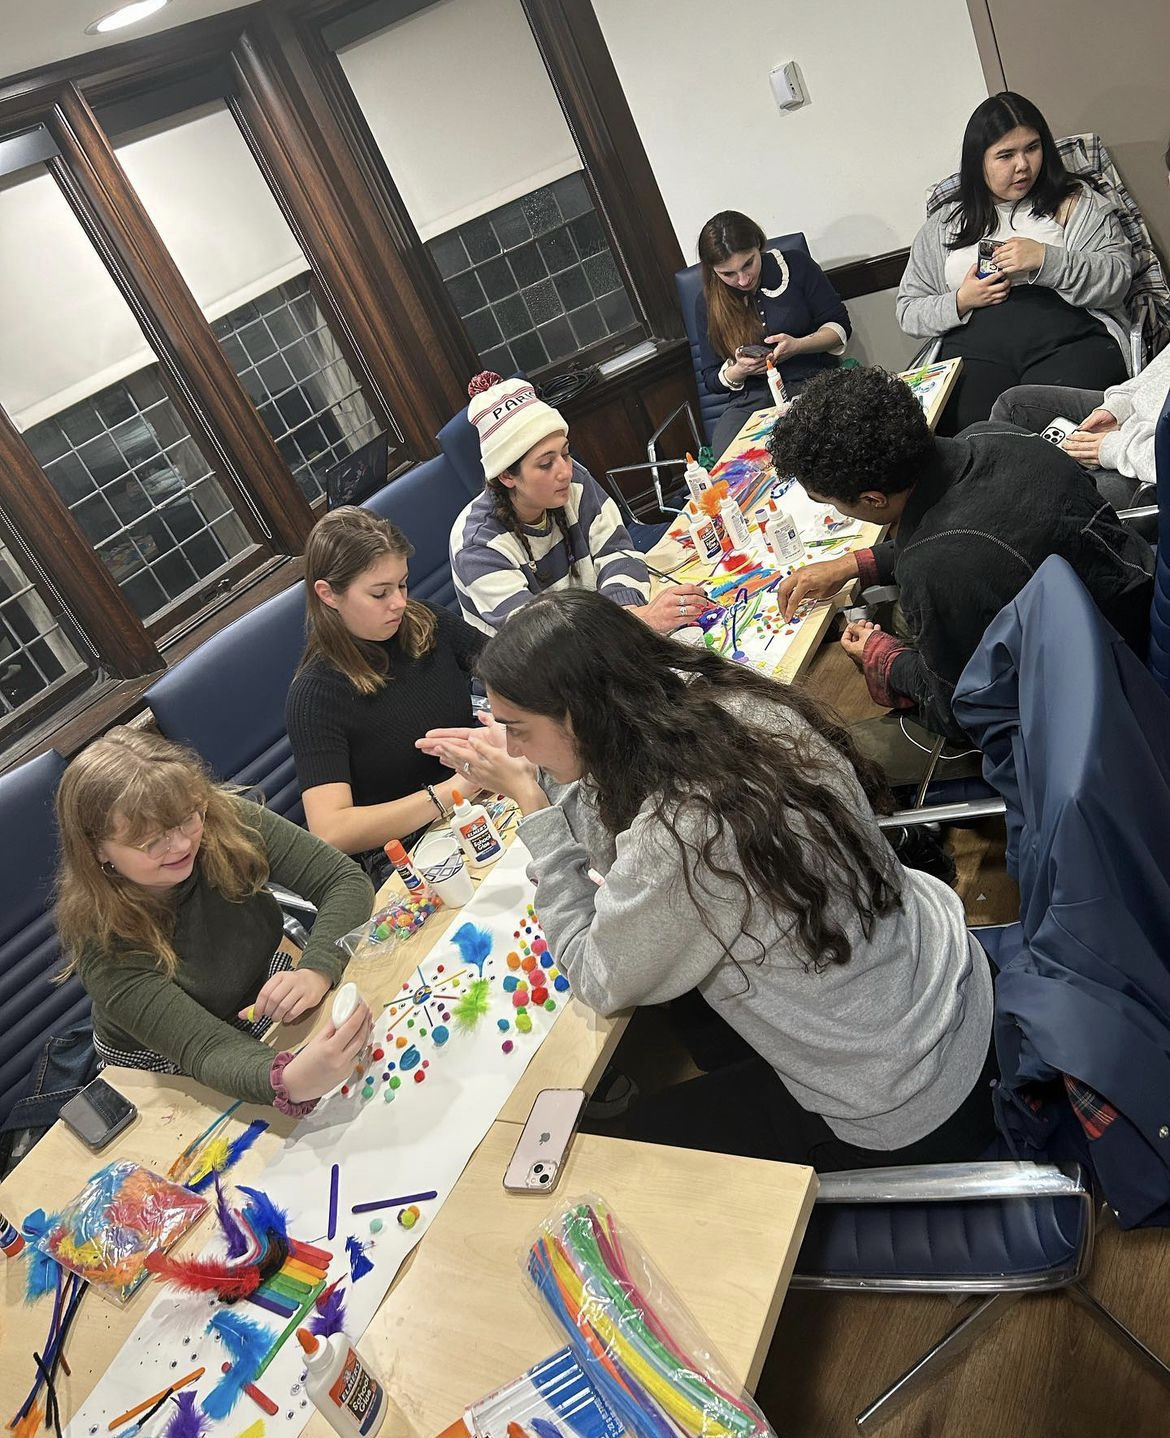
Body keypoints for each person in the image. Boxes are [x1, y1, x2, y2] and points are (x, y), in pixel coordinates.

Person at [417, 590, 997, 1171]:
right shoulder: (734, 707)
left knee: (640, 1135)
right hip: (954, 981)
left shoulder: (679, 832)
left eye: (517, 729)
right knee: (696, 1013)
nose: (513, 747)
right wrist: (549, 765)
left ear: (581, 716)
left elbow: (598, 975)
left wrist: (533, 804)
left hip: (909, 1096)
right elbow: (622, 853)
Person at [768, 367, 1154, 742]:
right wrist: (852, 565)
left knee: (859, 744)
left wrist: (881, 656)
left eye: (829, 502)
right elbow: (963, 525)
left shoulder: (935, 569)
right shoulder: (995, 435)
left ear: (872, 499)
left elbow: (957, 710)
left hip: (1094, 699)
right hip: (1132, 597)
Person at [55, 728, 375, 1114]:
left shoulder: (221, 819)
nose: (181, 844)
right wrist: (288, 1081)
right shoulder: (105, 945)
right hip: (163, 1058)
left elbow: (343, 879)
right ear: (97, 853)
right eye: (150, 841)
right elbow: (206, 1048)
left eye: (188, 818)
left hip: (252, 999)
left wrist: (317, 969)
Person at [897, 92, 1133, 434]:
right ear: (979, 162)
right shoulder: (945, 223)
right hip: (973, 348)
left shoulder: (1076, 203)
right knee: (965, 437)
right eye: (1005, 155)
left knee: (1052, 427)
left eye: (1033, 148)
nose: (1022, 166)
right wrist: (961, 301)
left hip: (1070, 337)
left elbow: (1117, 280)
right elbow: (908, 310)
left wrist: (1045, 260)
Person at [287, 507, 487, 873]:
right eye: (379, 594)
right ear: (328, 595)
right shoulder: (315, 696)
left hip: (479, 796)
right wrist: (453, 791)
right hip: (409, 852)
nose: (398, 603)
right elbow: (331, 830)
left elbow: (510, 669)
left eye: (402, 584)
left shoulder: (425, 622)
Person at [449, 372, 710, 636]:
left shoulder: (573, 482)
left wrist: (627, 615)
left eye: (565, 453)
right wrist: (636, 623)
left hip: (601, 635)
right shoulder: (476, 545)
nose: (565, 471)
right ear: (506, 475)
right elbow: (541, 641)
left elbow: (617, 551)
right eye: (545, 463)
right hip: (540, 669)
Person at [695, 210, 851, 458]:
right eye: (728, 274)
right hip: (751, 401)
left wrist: (798, 345)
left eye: (748, 263)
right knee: (731, 465)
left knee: (819, 450)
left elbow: (840, 328)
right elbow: (711, 378)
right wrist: (740, 370)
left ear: (759, 245)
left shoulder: (796, 266)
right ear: (713, 270)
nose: (743, 279)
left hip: (813, 382)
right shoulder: (706, 303)